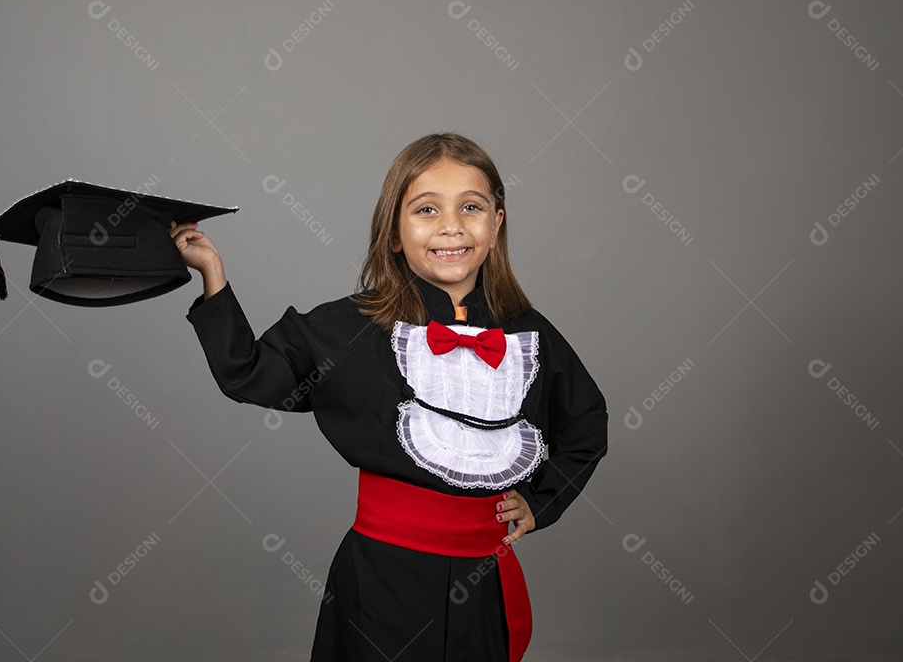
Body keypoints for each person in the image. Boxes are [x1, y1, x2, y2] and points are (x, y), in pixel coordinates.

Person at [170, 132, 608, 662]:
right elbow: (249, 373)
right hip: (382, 580)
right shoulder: (351, 327)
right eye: (426, 209)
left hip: (483, 583)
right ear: (395, 233)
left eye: (471, 207)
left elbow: (586, 422)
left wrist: (542, 502)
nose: (451, 226)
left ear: (495, 225)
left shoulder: (530, 336)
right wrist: (213, 275)